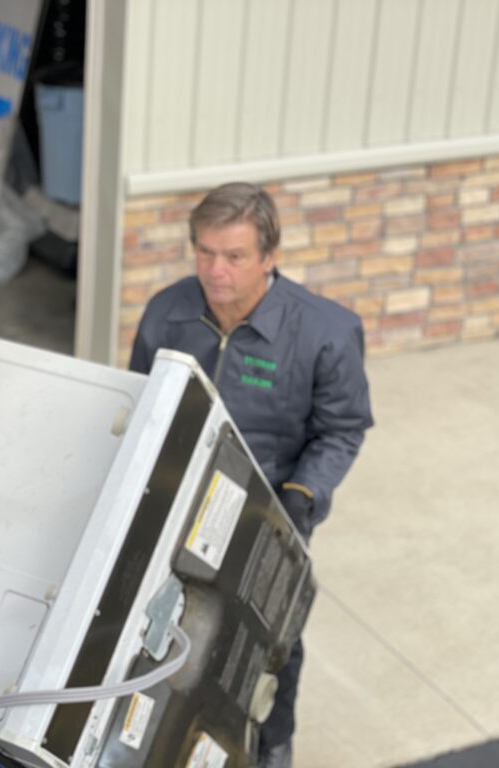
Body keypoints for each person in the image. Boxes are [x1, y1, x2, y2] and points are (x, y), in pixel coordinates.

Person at [129, 182, 373, 768]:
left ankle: (271, 746)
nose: (216, 271)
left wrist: (300, 497)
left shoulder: (326, 332)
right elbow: (144, 403)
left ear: (268, 256)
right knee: (164, 628)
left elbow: (343, 428)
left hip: (273, 511)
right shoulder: (168, 311)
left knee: (268, 647)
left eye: (234, 256)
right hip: (179, 502)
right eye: (205, 252)